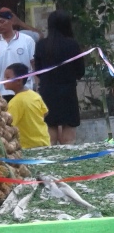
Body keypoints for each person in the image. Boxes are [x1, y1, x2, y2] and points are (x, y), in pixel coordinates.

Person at [34, 10, 85, 145]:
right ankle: (68, 162)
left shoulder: (41, 45)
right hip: (67, 92)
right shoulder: (72, 44)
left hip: (47, 91)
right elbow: (80, 71)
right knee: (69, 131)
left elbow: (38, 71)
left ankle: (53, 163)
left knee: (50, 129)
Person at [0, 8, 36, 101]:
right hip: (2, 92)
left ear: (11, 21)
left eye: (2, 22)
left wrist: (37, 87)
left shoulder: (27, 40)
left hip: (25, 90)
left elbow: (34, 65)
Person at [2, 63, 50, 149]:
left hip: (28, 146)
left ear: (19, 81)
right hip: (44, 142)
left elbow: (8, 125)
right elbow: (45, 112)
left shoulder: (15, 102)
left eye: (7, 77)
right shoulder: (34, 95)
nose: (4, 80)